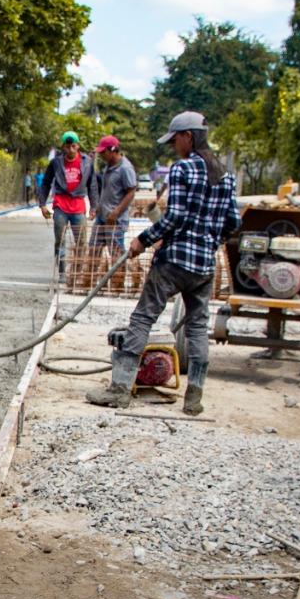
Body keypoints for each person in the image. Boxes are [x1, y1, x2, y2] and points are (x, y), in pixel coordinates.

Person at [86, 111, 239, 416]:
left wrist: (143, 240)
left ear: (189, 137)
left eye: (175, 140)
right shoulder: (225, 174)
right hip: (204, 266)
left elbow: (175, 217)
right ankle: (194, 396)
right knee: (197, 327)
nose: (174, 147)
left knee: (143, 318)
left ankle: (120, 390)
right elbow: (233, 221)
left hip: (173, 262)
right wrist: (209, 241)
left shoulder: (183, 169)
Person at [38, 131, 93, 280]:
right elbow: (46, 183)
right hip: (60, 205)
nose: (70, 150)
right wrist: (42, 204)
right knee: (60, 240)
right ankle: (62, 272)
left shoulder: (87, 162)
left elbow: (92, 185)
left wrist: (94, 207)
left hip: (78, 206)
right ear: (63, 147)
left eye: (73, 146)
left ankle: (77, 272)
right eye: (67, 147)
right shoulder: (56, 163)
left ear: (78, 146)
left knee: (81, 241)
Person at [88, 135, 138, 273]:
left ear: (113, 150)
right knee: (93, 249)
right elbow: (107, 190)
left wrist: (116, 212)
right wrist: (98, 207)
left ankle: (117, 284)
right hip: (102, 217)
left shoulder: (125, 168)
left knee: (115, 254)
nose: (101, 155)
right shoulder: (108, 166)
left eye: (103, 152)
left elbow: (131, 192)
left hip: (115, 220)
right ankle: (90, 281)